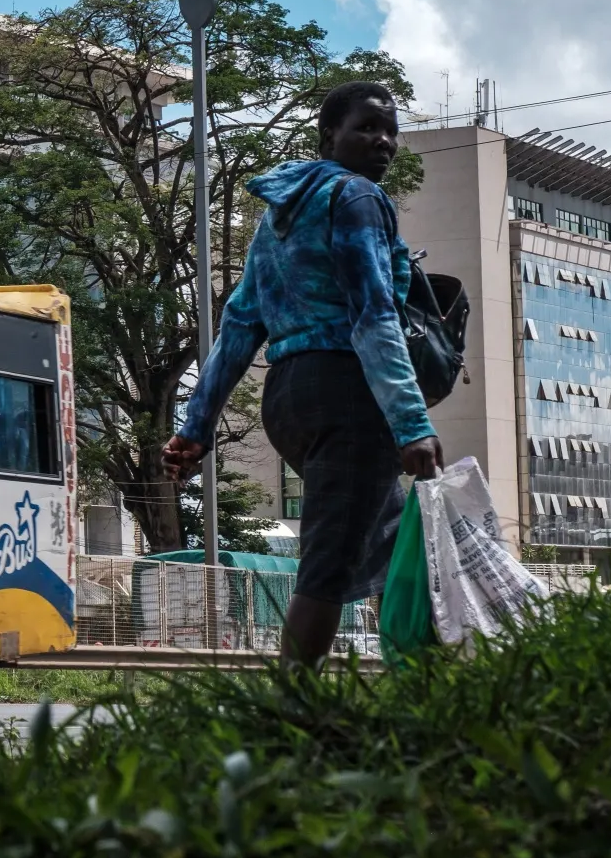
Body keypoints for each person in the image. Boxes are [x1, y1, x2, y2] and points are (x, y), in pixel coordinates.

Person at [163, 81, 442, 666]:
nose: (384, 141)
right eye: (367, 127)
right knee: (328, 562)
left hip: (289, 396)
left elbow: (241, 321)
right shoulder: (357, 196)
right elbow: (373, 314)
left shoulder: (279, 214)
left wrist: (196, 426)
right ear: (329, 136)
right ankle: (292, 703)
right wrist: (412, 423)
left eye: (391, 131)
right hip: (346, 392)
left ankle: (418, 683)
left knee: (394, 544)